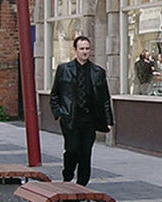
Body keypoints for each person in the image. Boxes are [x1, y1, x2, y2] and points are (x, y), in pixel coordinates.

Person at [49, 35, 114, 186]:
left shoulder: (98, 72)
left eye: (87, 49)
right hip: (70, 118)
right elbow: (55, 94)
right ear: (75, 50)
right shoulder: (64, 69)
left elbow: (105, 98)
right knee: (72, 150)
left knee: (85, 153)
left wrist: (108, 120)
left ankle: (82, 185)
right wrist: (59, 113)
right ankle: (67, 174)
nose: (85, 52)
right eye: (82, 49)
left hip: (89, 119)